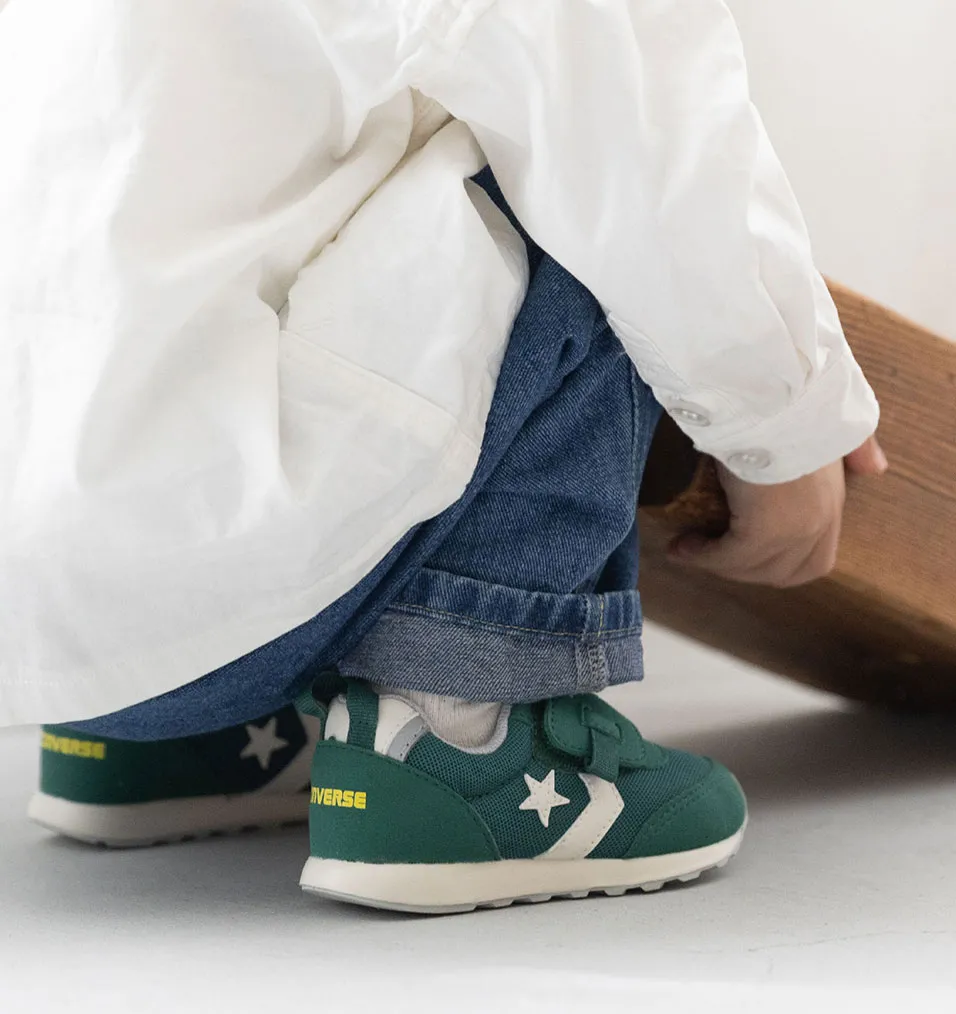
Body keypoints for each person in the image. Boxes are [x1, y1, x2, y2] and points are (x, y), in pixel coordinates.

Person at [0, 0, 884, 913]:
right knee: (589, 175)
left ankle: (163, 745)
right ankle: (463, 727)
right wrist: (785, 427)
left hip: (58, 635)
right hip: (237, 568)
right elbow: (643, 131)